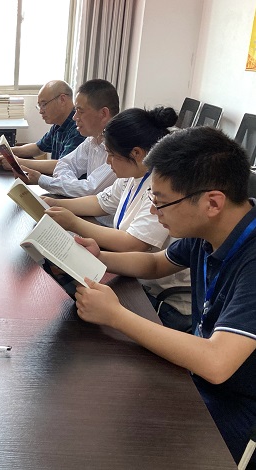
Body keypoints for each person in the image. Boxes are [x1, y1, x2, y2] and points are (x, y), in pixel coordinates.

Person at [73, 127, 256, 464]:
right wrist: (98, 257)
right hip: (205, 379)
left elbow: (217, 363)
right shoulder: (211, 229)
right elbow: (156, 263)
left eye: (160, 202)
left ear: (212, 202)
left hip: (240, 408)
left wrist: (116, 315)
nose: (155, 212)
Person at [43, 107, 191, 331]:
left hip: (162, 301)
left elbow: (133, 243)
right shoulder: (132, 176)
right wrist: (52, 203)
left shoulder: (162, 189)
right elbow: (99, 202)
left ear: (137, 153)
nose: (108, 161)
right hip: (136, 277)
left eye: (111, 154)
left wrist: (73, 222)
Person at [11, 79, 120, 198]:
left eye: (80, 111)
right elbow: (64, 164)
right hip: (80, 203)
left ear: (103, 114)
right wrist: (68, 184)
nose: (75, 117)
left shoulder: (120, 149)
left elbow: (89, 189)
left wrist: (42, 180)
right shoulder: (92, 140)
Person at [0, 80, 84, 165]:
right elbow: (38, 148)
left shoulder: (79, 127)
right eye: (39, 106)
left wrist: (18, 162)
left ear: (62, 99)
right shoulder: (58, 125)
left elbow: (63, 166)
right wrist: (8, 151)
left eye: (44, 104)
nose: (41, 111)